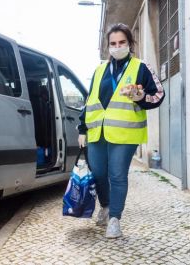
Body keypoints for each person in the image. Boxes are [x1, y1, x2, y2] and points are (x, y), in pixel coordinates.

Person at [78, 23, 165, 238]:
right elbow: (90, 101)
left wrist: (140, 97)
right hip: (97, 132)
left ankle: (115, 219)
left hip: (125, 134)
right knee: (98, 173)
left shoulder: (140, 67)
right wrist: (82, 129)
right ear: (108, 46)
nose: (117, 47)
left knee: (117, 175)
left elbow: (158, 95)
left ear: (130, 43)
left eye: (122, 43)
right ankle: (106, 207)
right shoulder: (99, 71)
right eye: (113, 44)